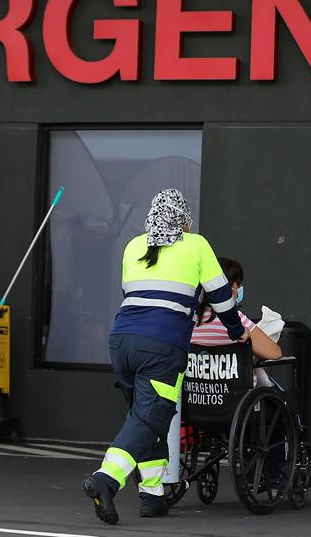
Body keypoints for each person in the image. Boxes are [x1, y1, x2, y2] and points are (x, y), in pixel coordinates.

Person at [82, 188, 249, 524]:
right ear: (184, 218)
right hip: (161, 346)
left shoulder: (133, 246)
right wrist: (234, 330)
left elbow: (131, 293)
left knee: (145, 417)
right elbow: (219, 294)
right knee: (149, 418)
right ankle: (107, 479)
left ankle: (153, 495)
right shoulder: (196, 244)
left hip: (121, 342)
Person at [191, 257, 282, 361]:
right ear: (230, 286)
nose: (239, 288)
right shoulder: (234, 320)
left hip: (195, 377)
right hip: (237, 377)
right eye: (238, 283)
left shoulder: (190, 319)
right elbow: (275, 353)